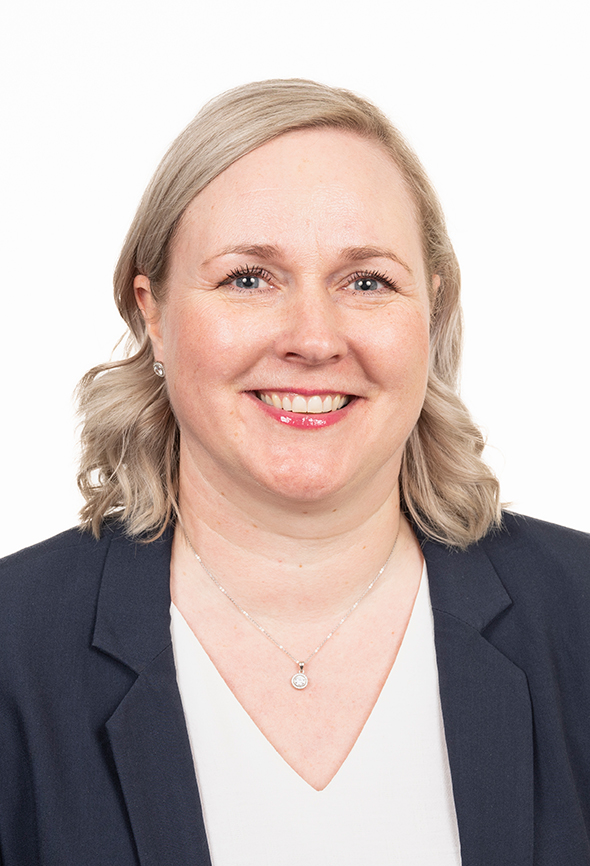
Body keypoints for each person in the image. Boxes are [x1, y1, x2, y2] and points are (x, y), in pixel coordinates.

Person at [0, 79, 589, 866]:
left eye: (367, 281)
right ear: (154, 312)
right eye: (249, 278)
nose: (313, 339)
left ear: (432, 311)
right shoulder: (14, 648)